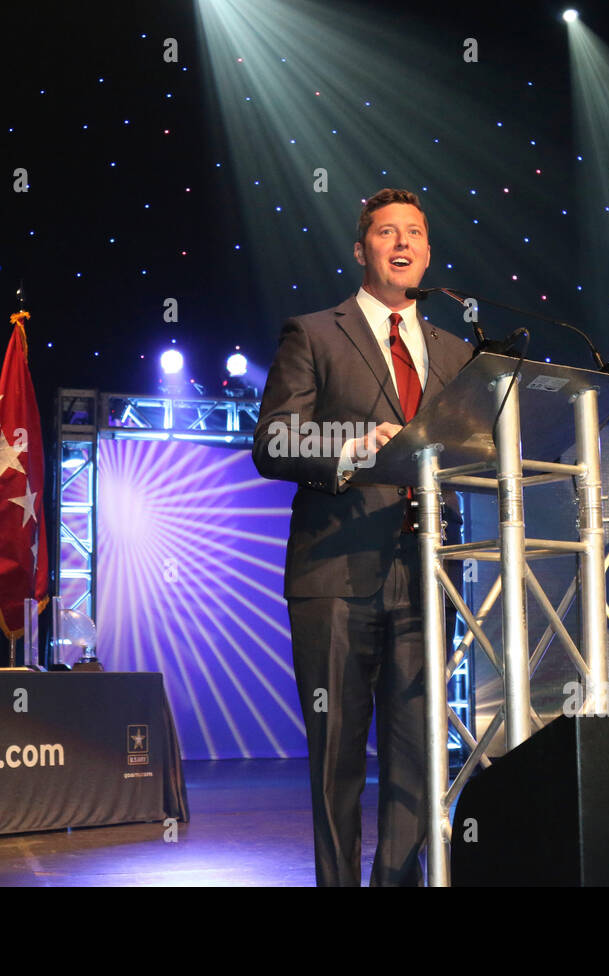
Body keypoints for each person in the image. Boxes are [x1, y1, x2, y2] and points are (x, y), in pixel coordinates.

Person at [252, 188, 474, 885]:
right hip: (336, 574)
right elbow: (273, 442)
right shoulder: (315, 333)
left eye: (414, 232)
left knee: (416, 753)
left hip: (427, 569)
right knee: (338, 754)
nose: (401, 242)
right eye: (386, 232)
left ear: (428, 253)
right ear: (362, 250)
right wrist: (352, 441)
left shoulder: (458, 353)